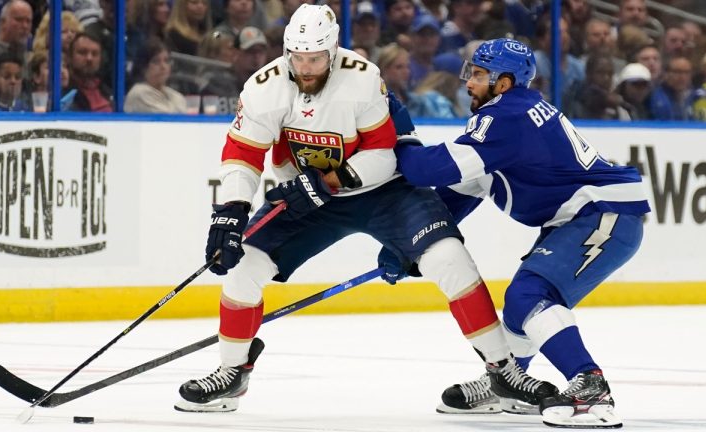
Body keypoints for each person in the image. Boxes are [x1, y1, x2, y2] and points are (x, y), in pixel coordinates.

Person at [174, 5, 557, 414]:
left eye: (316, 58)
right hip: (309, 197)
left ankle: (503, 371)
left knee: (450, 259)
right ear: (287, 51)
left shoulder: (362, 78)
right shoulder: (263, 87)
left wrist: (324, 183)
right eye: (298, 57)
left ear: (333, 50)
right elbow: (242, 154)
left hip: (384, 192)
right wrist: (230, 212)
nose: (306, 68)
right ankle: (232, 372)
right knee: (245, 264)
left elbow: (382, 154)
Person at [388, 38, 650, 427]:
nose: (468, 83)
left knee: (529, 295)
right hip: (585, 217)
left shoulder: (506, 117)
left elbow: (428, 170)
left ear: (504, 82)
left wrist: (401, 136)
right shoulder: (512, 113)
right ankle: (508, 384)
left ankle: (590, 386)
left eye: (478, 75)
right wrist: (411, 242)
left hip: (604, 213)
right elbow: (459, 193)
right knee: (519, 306)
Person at [124, 37, 186, 113]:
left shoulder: (175, 95)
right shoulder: (139, 93)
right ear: (143, 67)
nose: (163, 67)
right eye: (156, 61)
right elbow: (168, 120)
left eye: (166, 61)